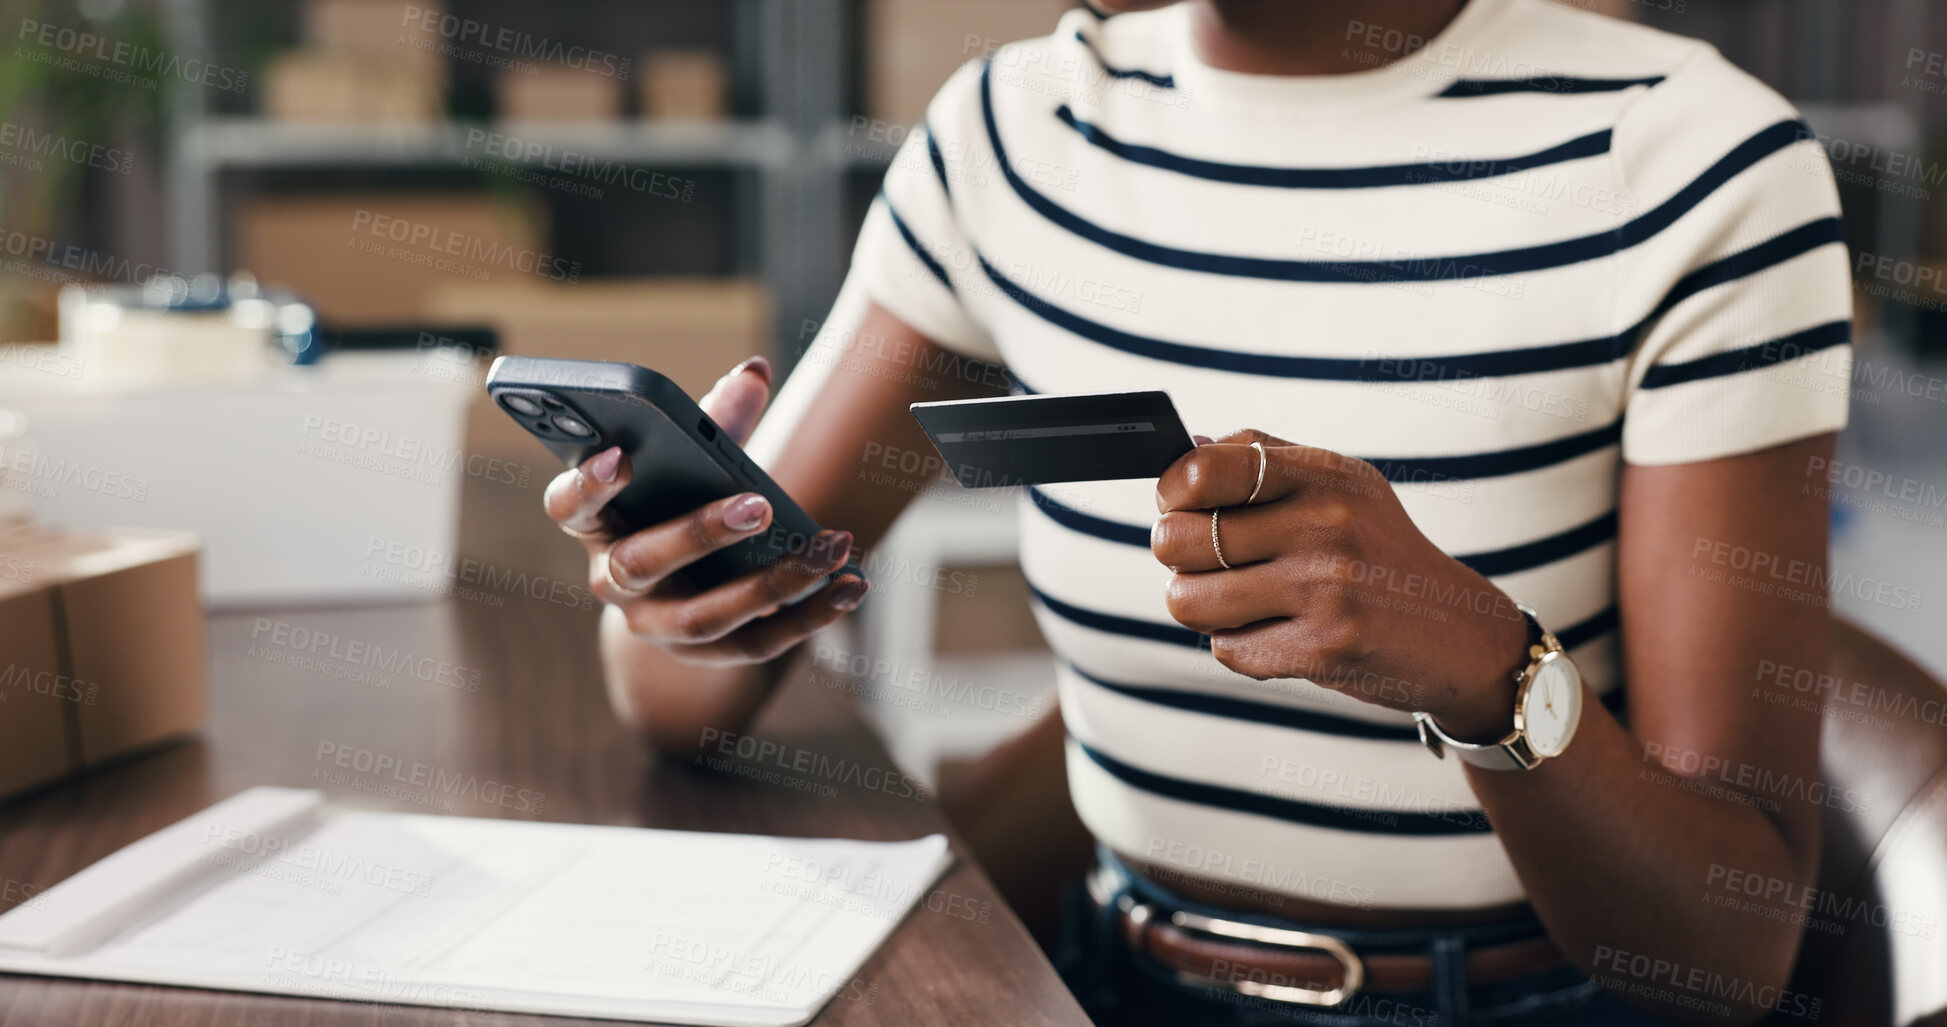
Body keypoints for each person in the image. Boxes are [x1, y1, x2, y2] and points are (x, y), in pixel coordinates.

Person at [544, 0, 1852, 1022]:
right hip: (1095, 985)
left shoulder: (1693, 163)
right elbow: (683, 697)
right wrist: (665, 546)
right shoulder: (1013, 137)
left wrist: (1486, 668)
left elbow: (1723, 951)